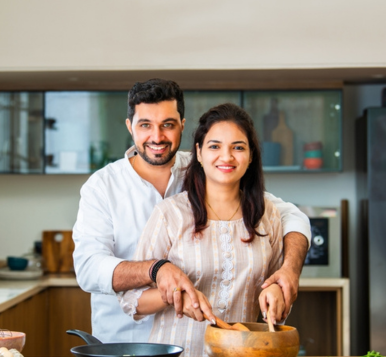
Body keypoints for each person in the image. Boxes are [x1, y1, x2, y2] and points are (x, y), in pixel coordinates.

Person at [73, 78, 310, 343]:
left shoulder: (208, 165)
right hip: (121, 340)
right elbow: (89, 268)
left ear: (182, 126)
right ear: (130, 127)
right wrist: (156, 270)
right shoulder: (103, 186)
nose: (157, 136)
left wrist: (288, 272)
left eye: (168, 125)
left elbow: (290, 216)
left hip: (203, 344)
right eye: (145, 125)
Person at [117, 103, 285, 356]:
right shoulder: (170, 213)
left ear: (251, 156)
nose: (226, 157)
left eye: (238, 147)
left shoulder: (267, 214)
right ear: (198, 152)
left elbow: (279, 286)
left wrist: (277, 291)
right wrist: (174, 297)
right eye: (215, 146)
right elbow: (131, 300)